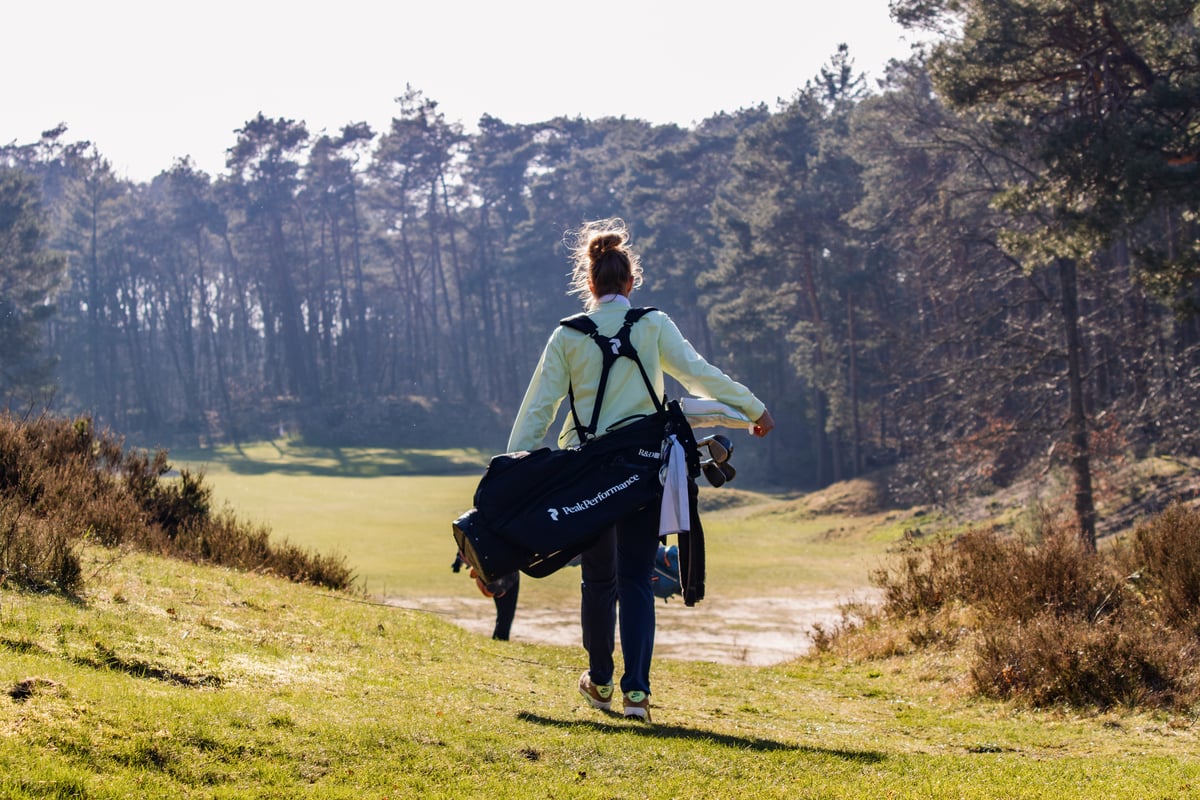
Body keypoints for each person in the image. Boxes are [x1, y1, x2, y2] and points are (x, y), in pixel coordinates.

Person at [506, 218, 774, 722]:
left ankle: (601, 681)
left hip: (587, 475)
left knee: (597, 580)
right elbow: (699, 374)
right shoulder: (652, 325)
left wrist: (513, 470)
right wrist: (754, 409)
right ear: (630, 283)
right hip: (644, 472)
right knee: (635, 579)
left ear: (590, 284)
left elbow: (538, 411)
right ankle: (637, 695)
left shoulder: (567, 335)